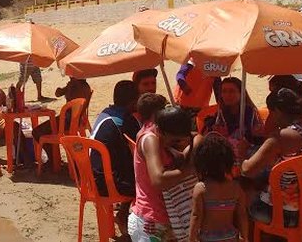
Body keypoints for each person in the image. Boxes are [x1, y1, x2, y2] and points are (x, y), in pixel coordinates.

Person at [241, 88, 302, 227]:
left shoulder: (279, 138)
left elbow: (248, 171)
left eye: (270, 112)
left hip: (286, 214)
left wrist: (242, 155)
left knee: (246, 191)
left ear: (277, 111)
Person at [129, 106, 194, 241]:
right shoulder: (150, 140)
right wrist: (190, 169)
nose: (178, 145)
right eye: (174, 141)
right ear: (160, 131)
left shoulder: (168, 138)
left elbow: (198, 138)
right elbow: (158, 179)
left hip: (170, 218)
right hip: (151, 221)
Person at [91, 80, 140, 235]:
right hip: (105, 183)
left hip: (90, 177)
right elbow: (137, 150)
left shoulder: (106, 112)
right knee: (148, 183)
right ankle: (138, 226)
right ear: (133, 102)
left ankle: (123, 215)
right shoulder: (125, 121)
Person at [190, 133, 249, 242]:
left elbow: (196, 216)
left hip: (208, 237)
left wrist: (191, 239)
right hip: (230, 235)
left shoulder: (201, 188)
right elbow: (242, 214)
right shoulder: (236, 187)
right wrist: (245, 237)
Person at [199, 77, 265, 160]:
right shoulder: (221, 113)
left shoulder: (250, 113)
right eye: (224, 91)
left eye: (232, 91)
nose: (227, 95)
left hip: (247, 156)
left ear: (241, 93)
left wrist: (249, 140)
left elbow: (259, 139)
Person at [32, 78, 93, 164]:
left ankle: (53, 160)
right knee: (47, 129)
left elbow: (62, 95)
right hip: (77, 119)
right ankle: (54, 159)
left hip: (68, 120)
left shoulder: (75, 86)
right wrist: (67, 87)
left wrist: (68, 87)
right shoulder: (85, 86)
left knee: (37, 132)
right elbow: (58, 93)